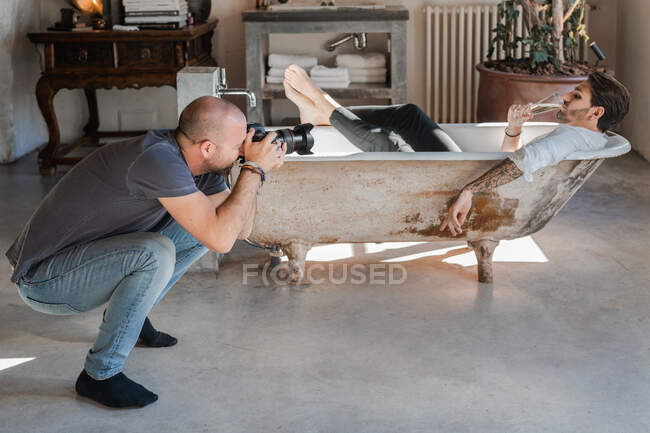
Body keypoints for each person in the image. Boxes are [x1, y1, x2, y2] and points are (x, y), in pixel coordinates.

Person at [5, 96, 286, 408]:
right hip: (44, 280)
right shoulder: (158, 160)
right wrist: (253, 168)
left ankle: (130, 319)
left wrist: (251, 168)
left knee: (195, 233)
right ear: (207, 147)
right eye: (239, 145)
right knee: (154, 252)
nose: (243, 151)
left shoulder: (196, 159)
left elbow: (238, 231)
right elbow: (223, 240)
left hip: (87, 259)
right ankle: (100, 374)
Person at [440, 71, 631, 235]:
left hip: (470, 180)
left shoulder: (569, 140)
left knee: (411, 115)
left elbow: (522, 163)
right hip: (492, 183)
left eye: (577, 96)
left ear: (596, 113)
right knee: (410, 122)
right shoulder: (587, 137)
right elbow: (517, 161)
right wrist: (514, 127)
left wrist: (469, 190)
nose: (565, 96)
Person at [282, 64, 462, 153]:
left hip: (458, 185)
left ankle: (322, 103)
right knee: (410, 114)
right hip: (468, 169)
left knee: (388, 144)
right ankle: (323, 113)